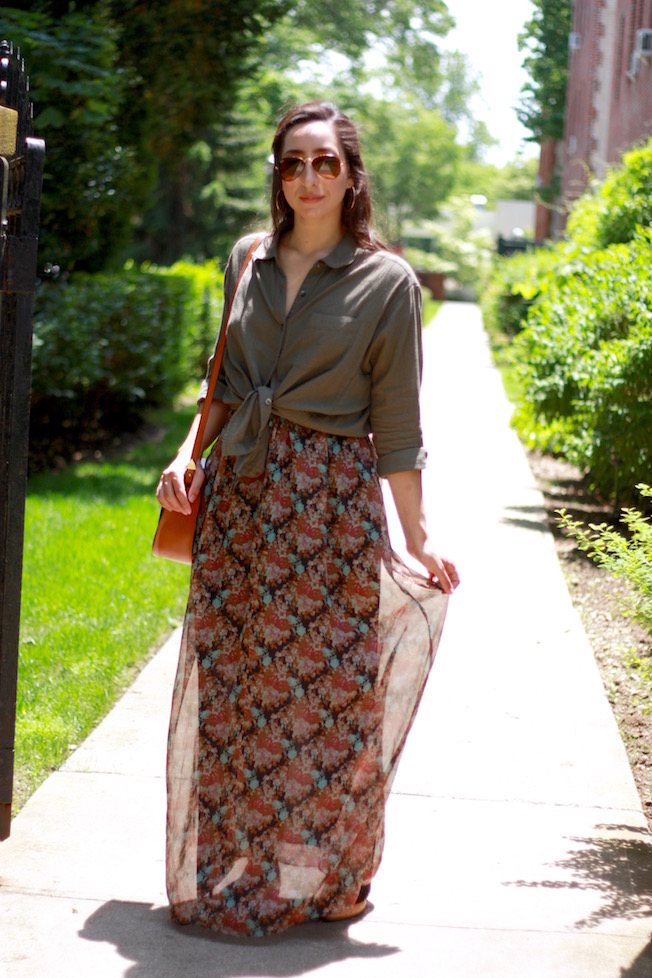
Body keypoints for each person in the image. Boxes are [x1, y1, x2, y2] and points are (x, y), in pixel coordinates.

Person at [156, 100, 459, 937]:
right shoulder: (247, 258)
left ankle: (325, 876)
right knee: (234, 686)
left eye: (325, 162)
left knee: (326, 698)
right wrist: (186, 456)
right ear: (278, 175)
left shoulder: (388, 283)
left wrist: (418, 536)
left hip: (329, 511)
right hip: (241, 500)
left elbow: (397, 423)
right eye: (293, 163)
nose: (308, 178)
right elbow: (223, 381)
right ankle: (233, 865)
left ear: (352, 175)